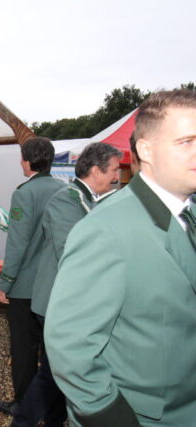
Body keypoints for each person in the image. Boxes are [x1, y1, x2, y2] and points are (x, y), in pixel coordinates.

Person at [45, 89, 196, 426]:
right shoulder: (105, 229)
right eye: (186, 141)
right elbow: (71, 347)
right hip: (149, 416)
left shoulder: (189, 213)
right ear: (147, 150)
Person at [10, 142, 122, 427]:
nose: (117, 177)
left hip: (73, 301)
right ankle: (23, 422)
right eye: (113, 170)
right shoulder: (65, 200)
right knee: (54, 373)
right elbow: (72, 255)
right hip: (58, 302)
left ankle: (52, 420)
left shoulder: (91, 200)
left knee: (60, 373)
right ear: (96, 170)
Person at [0, 137, 65, 416]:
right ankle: (53, 405)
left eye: (22, 157)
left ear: (28, 161)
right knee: (51, 350)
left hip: (25, 285)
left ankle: (24, 404)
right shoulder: (65, 190)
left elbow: (18, 243)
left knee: (23, 347)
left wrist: (5, 281)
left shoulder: (24, 193)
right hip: (54, 284)